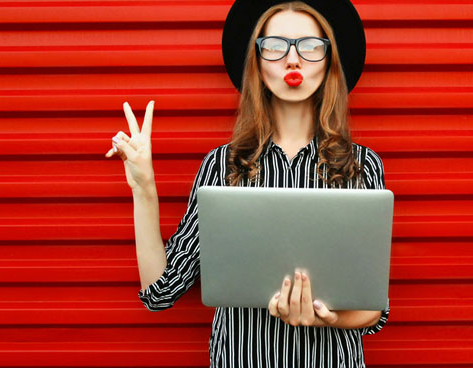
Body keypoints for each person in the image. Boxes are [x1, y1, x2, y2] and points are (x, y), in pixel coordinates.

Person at [105, 1, 388, 366]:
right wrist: (144, 189)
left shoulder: (362, 166)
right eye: (275, 46)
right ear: (256, 62)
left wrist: (330, 318)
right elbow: (161, 291)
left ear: (329, 63)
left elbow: (373, 310)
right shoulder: (222, 164)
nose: (292, 59)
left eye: (310, 46)